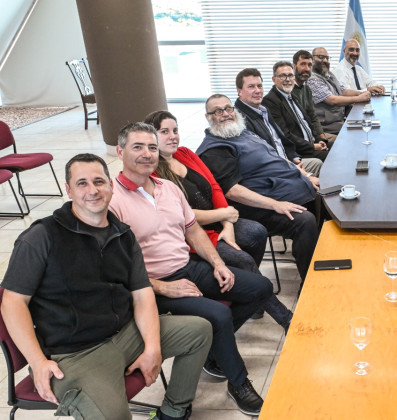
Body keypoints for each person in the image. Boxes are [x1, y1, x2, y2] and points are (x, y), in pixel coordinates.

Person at [1, 153, 212, 420]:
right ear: (68, 190)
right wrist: (38, 361)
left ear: (111, 186)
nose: (93, 191)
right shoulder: (41, 237)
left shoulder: (123, 234)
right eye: (82, 183)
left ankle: (173, 411)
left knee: (199, 331)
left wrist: (152, 347)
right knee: (113, 416)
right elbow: (12, 302)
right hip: (75, 353)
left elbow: (142, 293)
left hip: (125, 334)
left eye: (99, 181)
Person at [109, 122, 272, 416]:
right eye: (138, 147)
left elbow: (194, 231)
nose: (147, 154)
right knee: (219, 314)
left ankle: (212, 350)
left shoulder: (168, 187)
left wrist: (218, 263)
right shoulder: (112, 201)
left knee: (260, 288)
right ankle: (239, 384)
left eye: (152, 147)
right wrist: (162, 286)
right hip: (153, 286)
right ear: (120, 151)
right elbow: (114, 267)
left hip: (188, 267)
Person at [146, 110, 294, 332]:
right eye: (164, 132)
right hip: (192, 236)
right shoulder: (153, 173)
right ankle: (285, 317)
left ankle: (247, 293)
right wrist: (225, 215)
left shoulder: (186, 154)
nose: (172, 136)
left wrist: (228, 226)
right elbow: (182, 216)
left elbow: (214, 186)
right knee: (242, 259)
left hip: (218, 224)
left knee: (256, 232)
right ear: (151, 136)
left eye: (175, 130)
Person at [197, 94, 320, 283]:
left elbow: (275, 157)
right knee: (305, 220)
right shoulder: (216, 148)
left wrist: (306, 176)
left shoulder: (243, 133)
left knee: (328, 201)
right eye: (218, 111)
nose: (226, 114)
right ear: (208, 117)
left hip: (289, 189)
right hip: (258, 207)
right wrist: (275, 205)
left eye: (228, 108)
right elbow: (232, 191)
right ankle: (311, 283)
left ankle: (325, 264)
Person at [233, 67, 323, 176]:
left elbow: (282, 140)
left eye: (259, 86)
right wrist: (292, 166)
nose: (257, 91)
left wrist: (295, 158)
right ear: (239, 91)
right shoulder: (240, 119)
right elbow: (263, 156)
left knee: (317, 164)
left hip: (288, 160)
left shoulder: (263, 110)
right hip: (274, 169)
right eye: (251, 87)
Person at [263, 61, 330, 163]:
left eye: (290, 75)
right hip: (300, 151)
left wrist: (319, 140)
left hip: (311, 144)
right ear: (274, 79)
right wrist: (313, 146)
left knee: (341, 147)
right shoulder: (270, 101)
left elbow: (307, 123)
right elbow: (285, 135)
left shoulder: (292, 96)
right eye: (282, 76)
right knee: (335, 156)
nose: (288, 79)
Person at [308, 47, 371, 134]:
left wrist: (362, 93)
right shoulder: (312, 79)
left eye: (327, 58)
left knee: (367, 125)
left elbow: (343, 91)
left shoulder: (328, 74)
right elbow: (332, 100)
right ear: (312, 59)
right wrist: (359, 98)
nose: (325, 60)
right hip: (327, 126)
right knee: (359, 133)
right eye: (321, 57)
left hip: (340, 120)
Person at [291, 50, 337, 143]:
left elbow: (313, 116)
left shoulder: (306, 88)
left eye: (309, 65)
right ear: (294, 66)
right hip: (302, 139)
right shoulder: (289, 90)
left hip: (313, 134)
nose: (307, 68)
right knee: (340, 143)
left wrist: (322, 136)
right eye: (303, 64)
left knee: (342, 141)